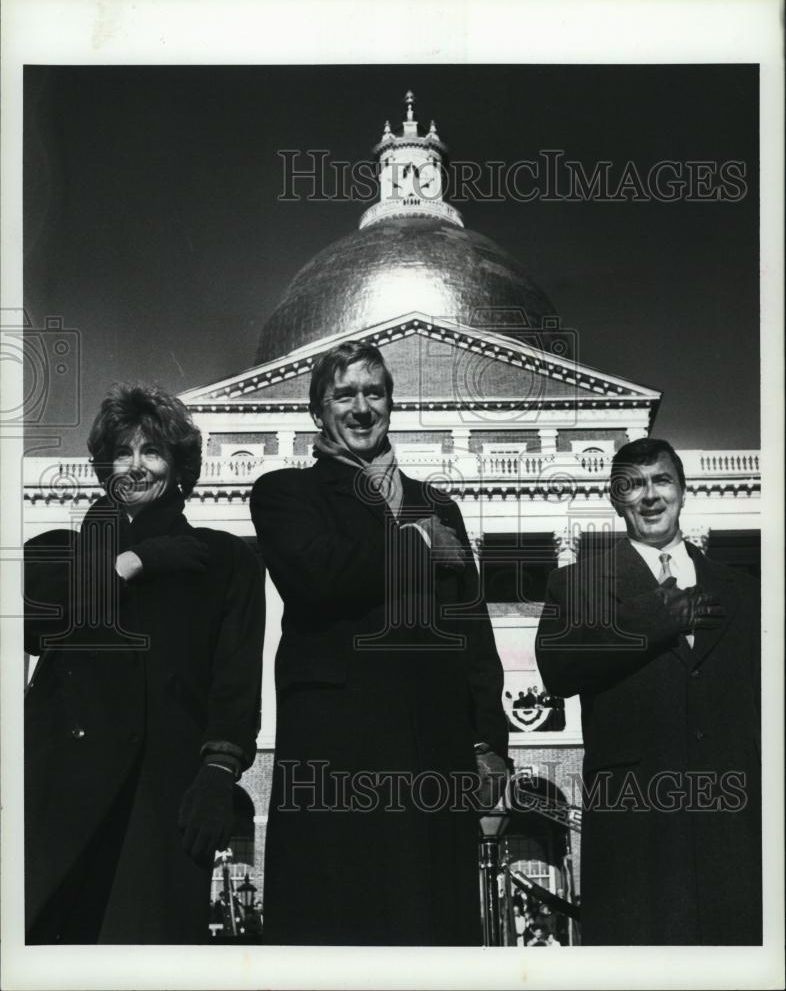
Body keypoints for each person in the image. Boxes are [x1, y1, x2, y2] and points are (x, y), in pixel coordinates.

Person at [250, 341, 509, 946]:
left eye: (374, 392)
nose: (361, 408)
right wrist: (419, 547)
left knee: (433, 921)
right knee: (343, 919)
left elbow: (472, 631)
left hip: (435, 742)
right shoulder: (286, 492)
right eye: (345, 395)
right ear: (319, 411)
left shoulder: (437, 504)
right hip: (341, 744)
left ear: (391, 403)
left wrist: (488, 741)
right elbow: (318, 574)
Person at [24, 384, 265, 944]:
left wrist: (218, 770)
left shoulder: (225, 561)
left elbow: (236, 681)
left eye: (151, 452)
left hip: (161, 802)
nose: (134, 467)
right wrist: (133, 562)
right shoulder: (55, 553)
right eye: (122, 452)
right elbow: (36, 626)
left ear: (179, 467)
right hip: (55, 796)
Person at [535, 438, 761, 945]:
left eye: (661, 481)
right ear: (617, 500)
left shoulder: (743, 590)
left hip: (731, 826)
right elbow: (559, 668)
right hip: (635, 831)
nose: (650, 496)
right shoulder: (576, 586)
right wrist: (659, 619)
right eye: (633, 485)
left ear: (683, 492)